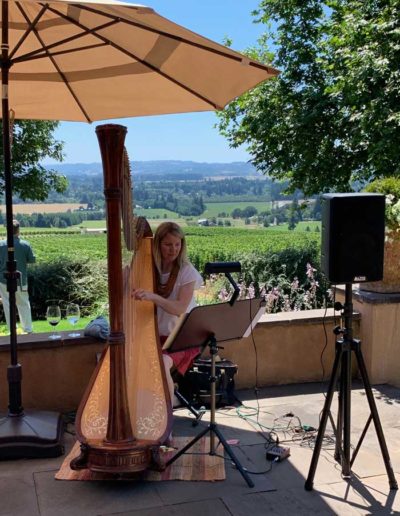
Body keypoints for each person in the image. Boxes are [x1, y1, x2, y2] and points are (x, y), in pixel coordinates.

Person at [132, 221, 203, 405]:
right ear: (157, 245)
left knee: (162, 363)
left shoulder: (187, 272)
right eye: (168, 245)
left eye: (178, 244)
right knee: (131, 360)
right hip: (156, 337)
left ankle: (166, 421)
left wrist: (153, 297)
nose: (173, 250)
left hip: (181, 339)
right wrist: (126, 272)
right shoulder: (148, 269)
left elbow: (179, 308)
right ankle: (143, 410)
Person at [0, 220, 36, 333]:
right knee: (24, 304)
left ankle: (12, 330)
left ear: (7, 230)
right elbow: (32, 260)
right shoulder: (25, 245)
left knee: (7, 305)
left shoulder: (1, 245)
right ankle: (28, 329)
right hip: (21, 280)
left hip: (3, 279)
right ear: (18, 230)